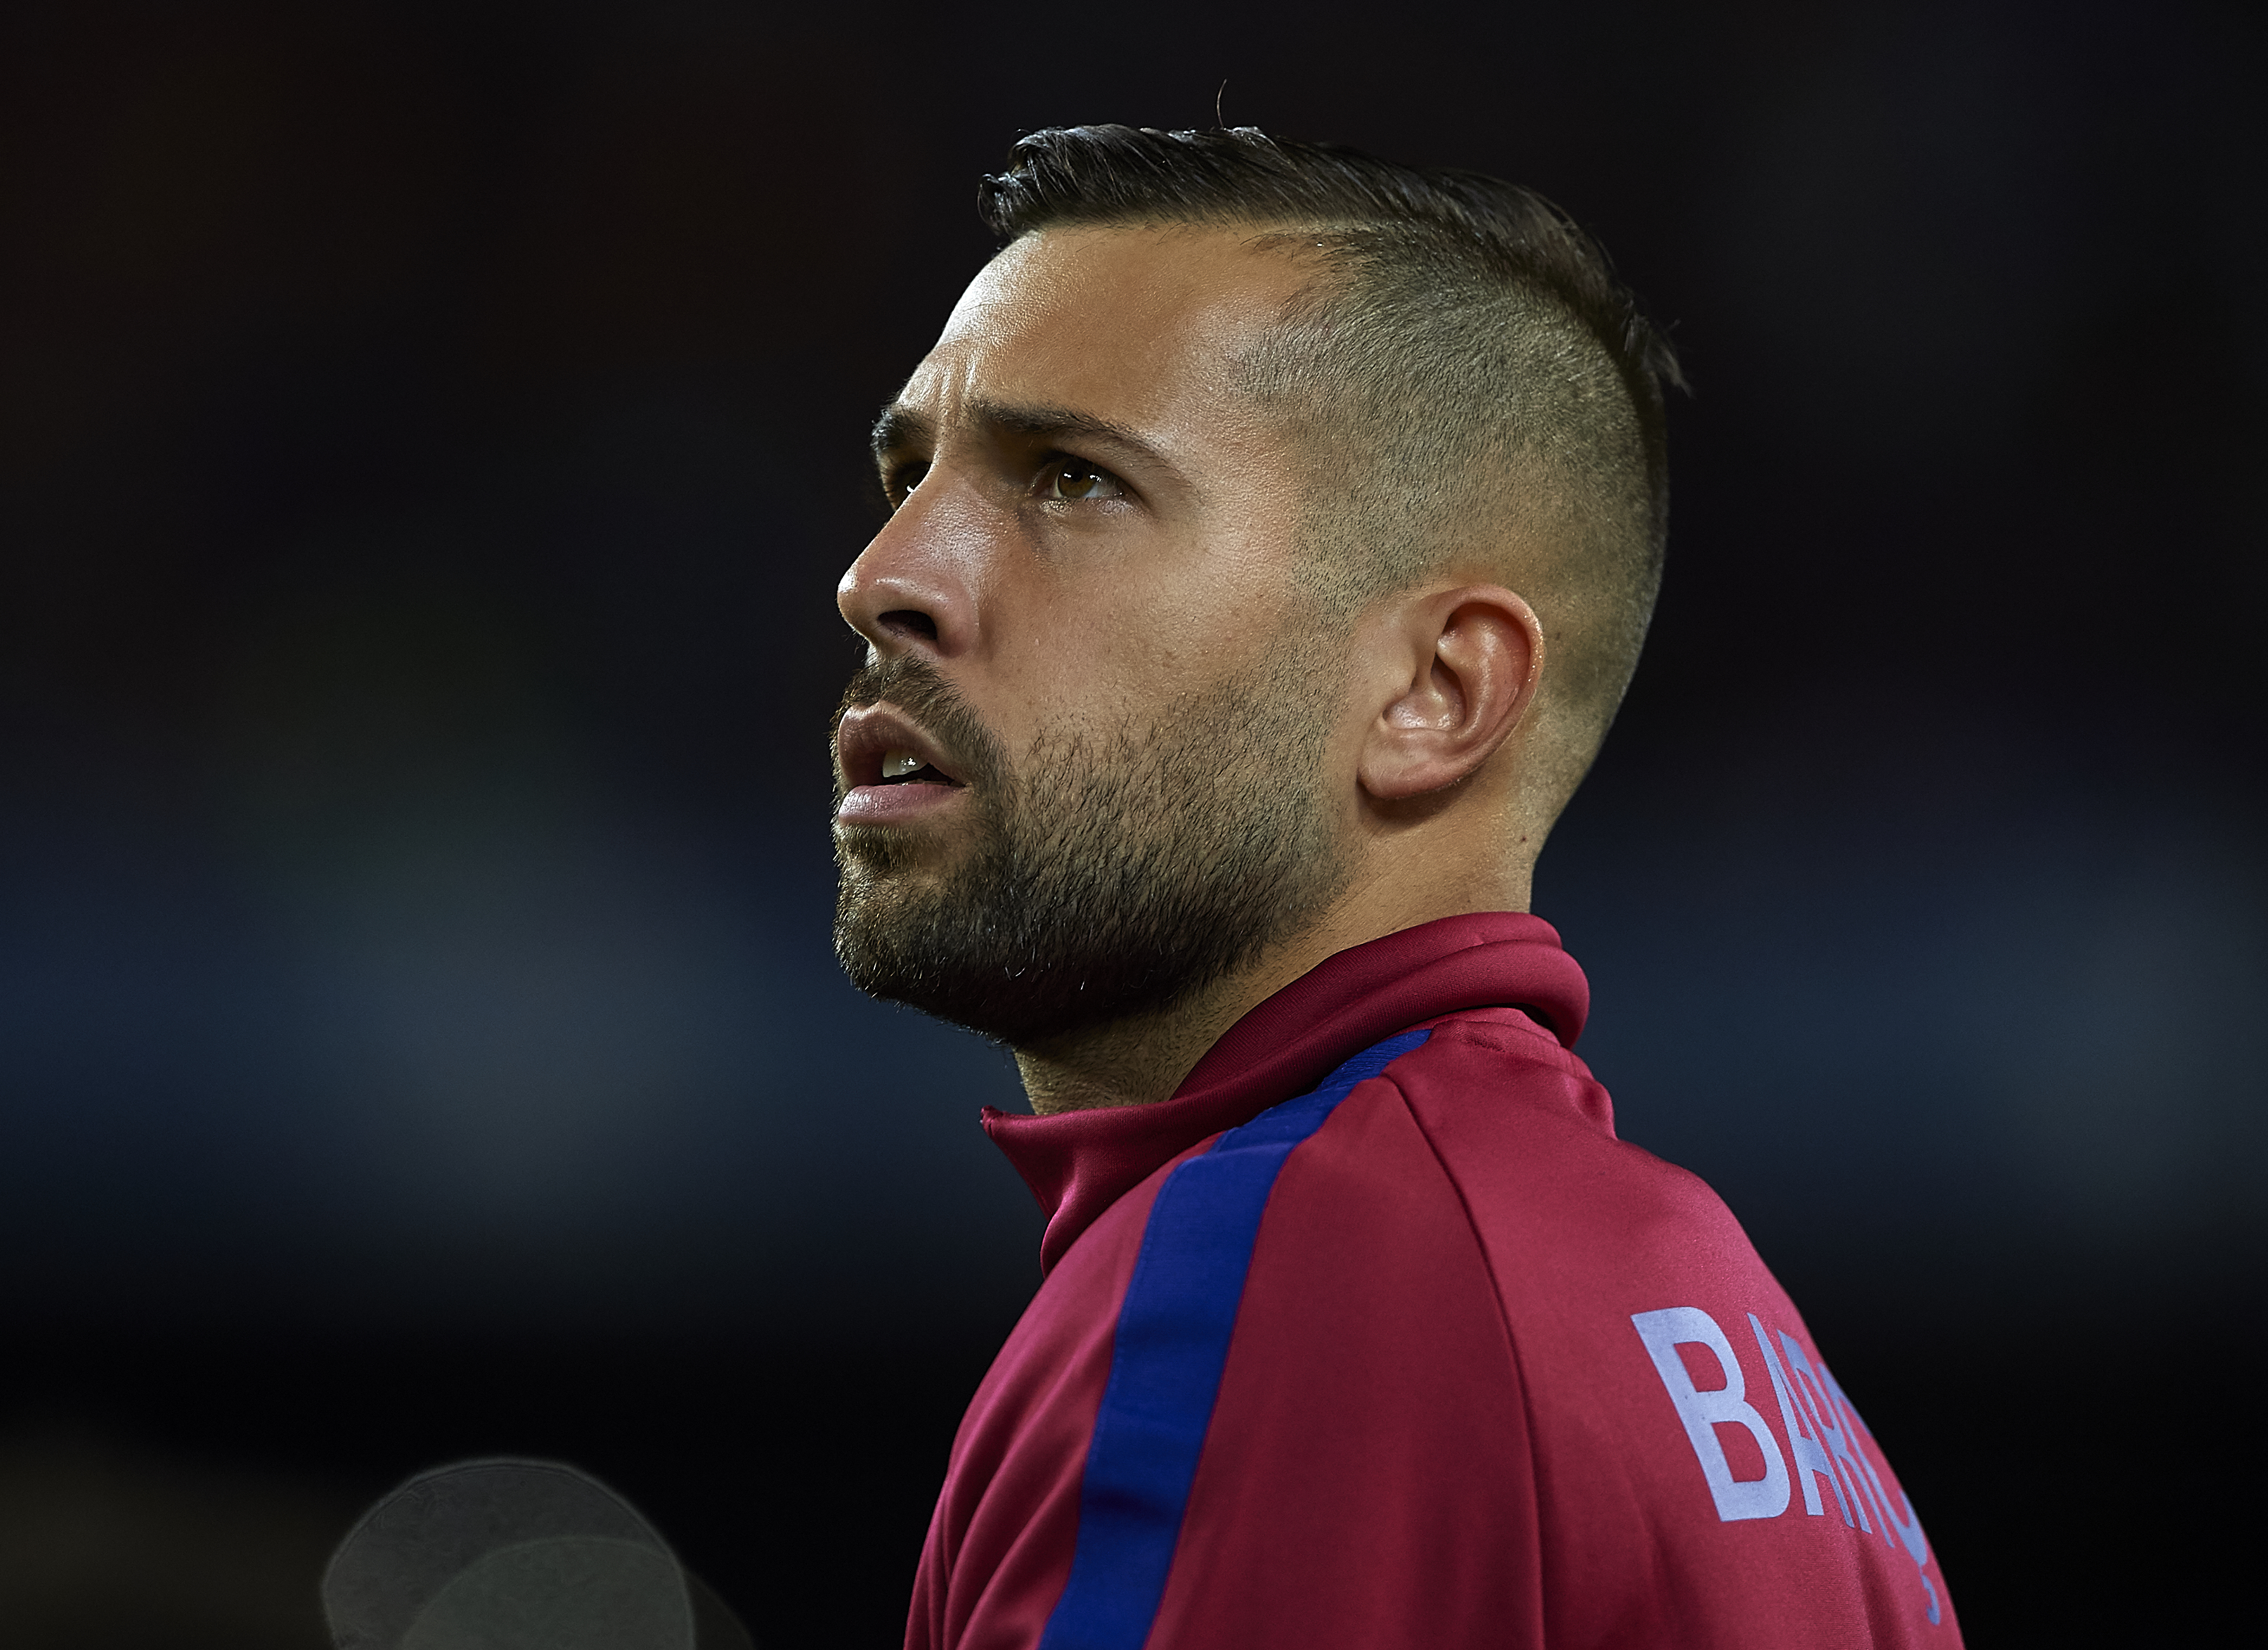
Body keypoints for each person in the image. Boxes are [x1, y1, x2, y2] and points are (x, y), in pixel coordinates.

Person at [830, 125, 1955, 1650]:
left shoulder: (1282, 1278)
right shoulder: (1729, 1335)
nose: (885, 573)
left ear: (1436, 689)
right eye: (908, 473)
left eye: (1073, 481)